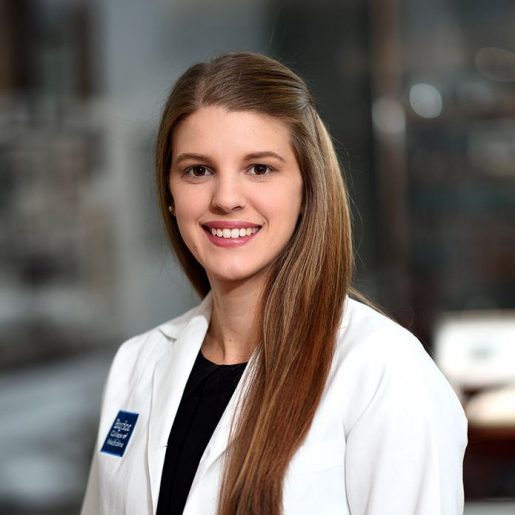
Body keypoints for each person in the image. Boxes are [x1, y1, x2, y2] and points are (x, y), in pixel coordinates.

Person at [81, 52, 467, 515]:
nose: (225, 199)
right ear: (169, 193)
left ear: (307, 188)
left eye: (259, 168)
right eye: (197, 170)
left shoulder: (381, 370)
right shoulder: (137, 363)